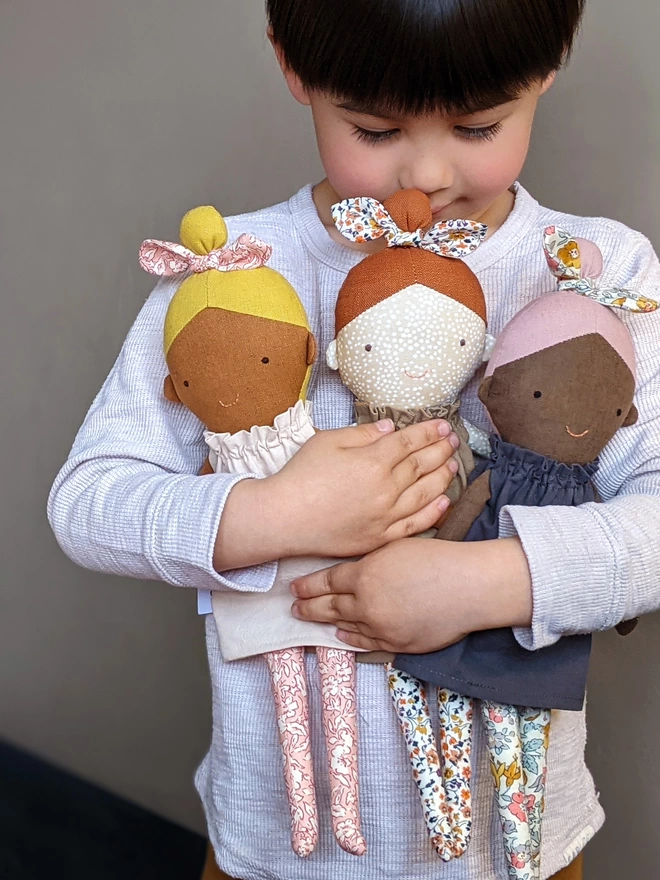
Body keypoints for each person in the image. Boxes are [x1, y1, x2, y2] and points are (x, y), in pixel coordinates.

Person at [47, 1, 660, 878]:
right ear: (293, 67)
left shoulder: (599, 272)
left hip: (516, 853)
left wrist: (483, 584)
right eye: (375, 128)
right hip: (275, 851)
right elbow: (88, 502)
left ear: (553, 59)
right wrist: (277, 512)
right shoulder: (234, 269)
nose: (429, 171)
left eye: (479, 123)